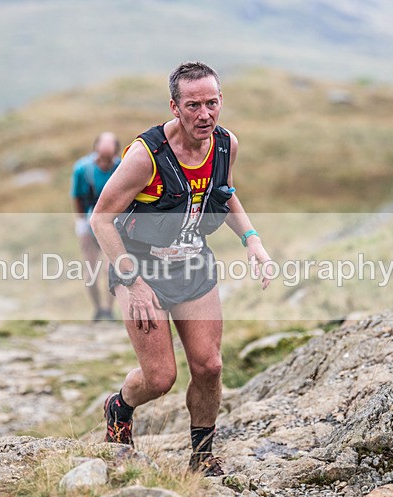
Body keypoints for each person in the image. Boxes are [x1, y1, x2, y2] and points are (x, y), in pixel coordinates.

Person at [90, 61, 273, 476]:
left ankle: (202, 457)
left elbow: (223, 196)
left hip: (193, 264)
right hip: (139, 267)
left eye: (211, 103)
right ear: (174, 106)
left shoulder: (227, 145)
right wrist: (133, 282)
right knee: (159, 378)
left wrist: (253, 241)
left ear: (221, 101)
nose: (204, 114)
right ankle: (118, 408)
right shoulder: (145, 156)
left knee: (209, 366)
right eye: (193, 105)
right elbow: (101, 218)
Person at [71, 132, 121, 320]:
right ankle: (98, 309)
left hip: (113, 222)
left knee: (111, 269)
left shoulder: (121, 166)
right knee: (91, 270)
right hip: (89, 221)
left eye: (109, 158)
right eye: (102, 158)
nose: (106, 162)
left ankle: (108, 310)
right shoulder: (82, 169)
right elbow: (76, 196)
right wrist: (82, 222)